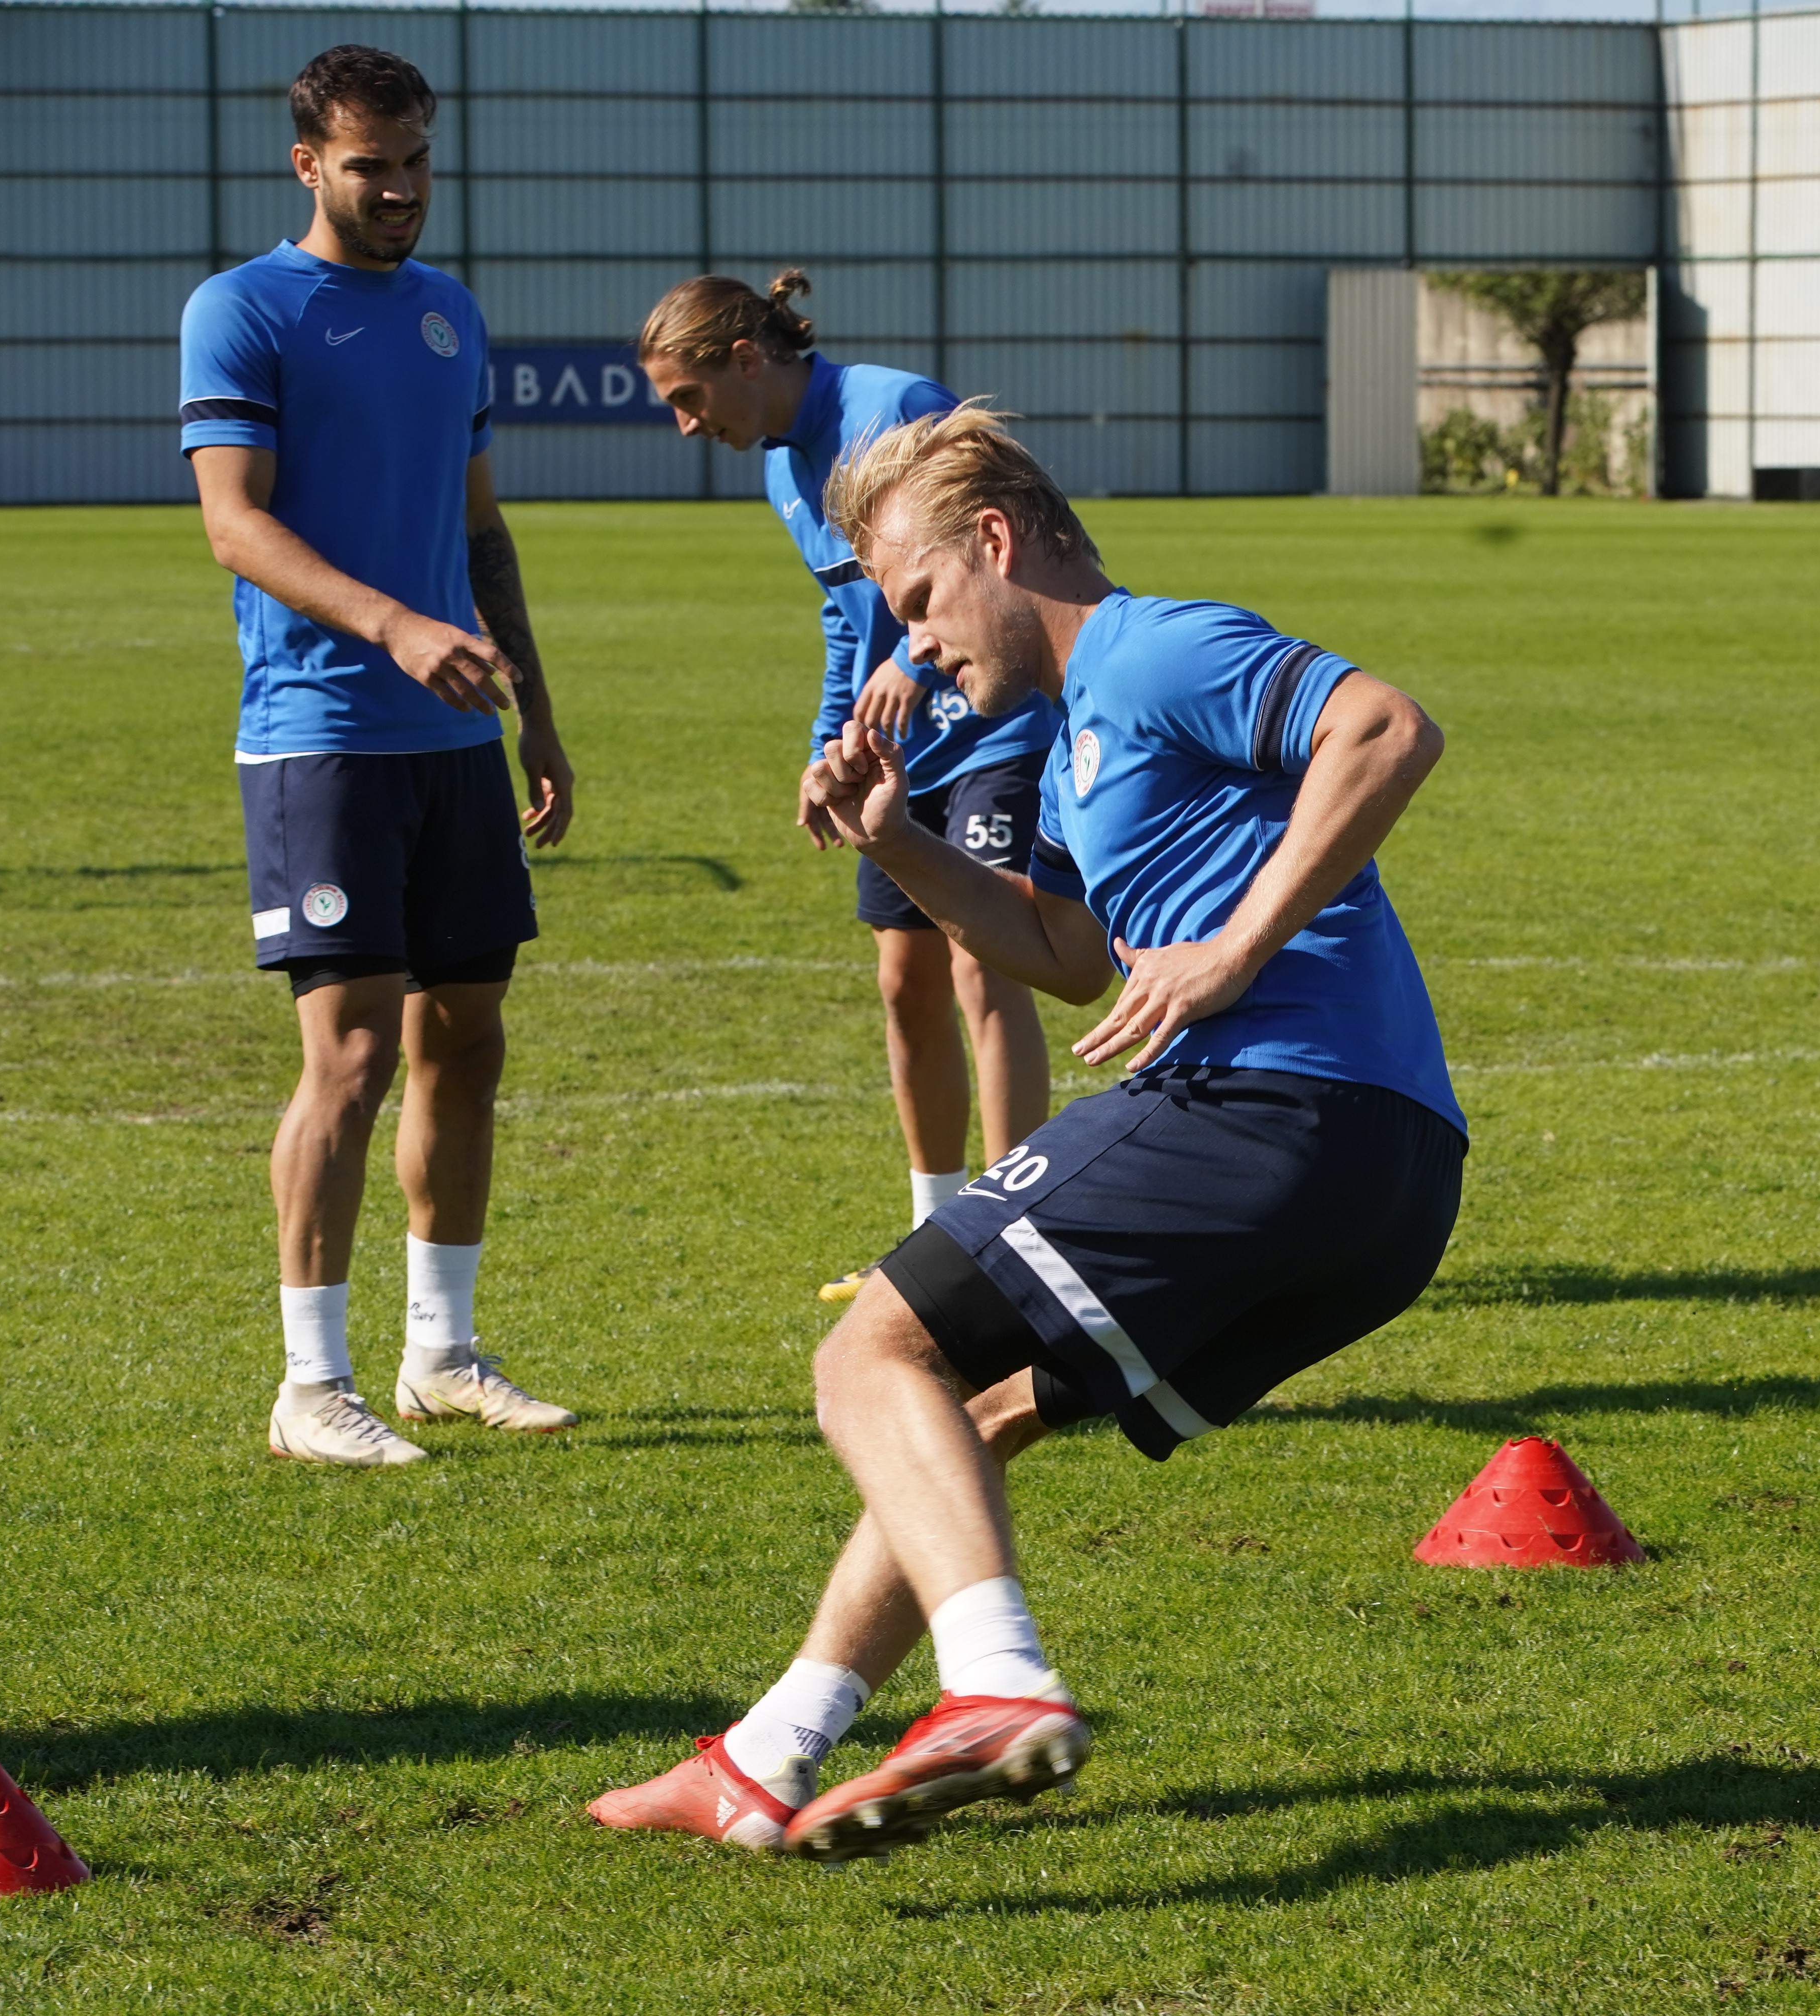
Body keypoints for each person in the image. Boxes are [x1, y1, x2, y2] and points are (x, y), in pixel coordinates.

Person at [587, 406, 1466, 1860]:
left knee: (869, 1352)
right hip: (1385, 1178)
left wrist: (1236, 949)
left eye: (922, 602)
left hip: (1282, 1103)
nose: (915, 649)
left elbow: (1385, 727)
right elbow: (1063, 951)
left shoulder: (1155, 647)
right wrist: (896, 839)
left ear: (996, 542)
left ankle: (993, 1684)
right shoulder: (1065, 750)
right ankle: (767, 1752)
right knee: (970, 1417)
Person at [181, 45, 579, 1467]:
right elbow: (235, 522)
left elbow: (481, 530)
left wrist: (532, 705)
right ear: (308, 163)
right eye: (371, 165)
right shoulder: (241, 310)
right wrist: (396, 627)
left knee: (465, 1042)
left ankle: (443, 1356)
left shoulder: (448, 316)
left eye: (415, 161)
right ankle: (309, 1387)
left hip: (456, 734)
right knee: (347, 1060)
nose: (400, 189)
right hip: (323, 734)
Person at [637, 276, 1061, 1298]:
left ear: (746, 356)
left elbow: (990, 555)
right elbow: (845, 622)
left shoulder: (896, 408)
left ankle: (1023, 1243)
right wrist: (827, 741)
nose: (690, 427)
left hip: (995, 723)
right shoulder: (783, 469)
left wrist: (917, 660)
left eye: (689, 398)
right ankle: (939, 1237)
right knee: (902, 981)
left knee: (983, 966)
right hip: (897, 753)